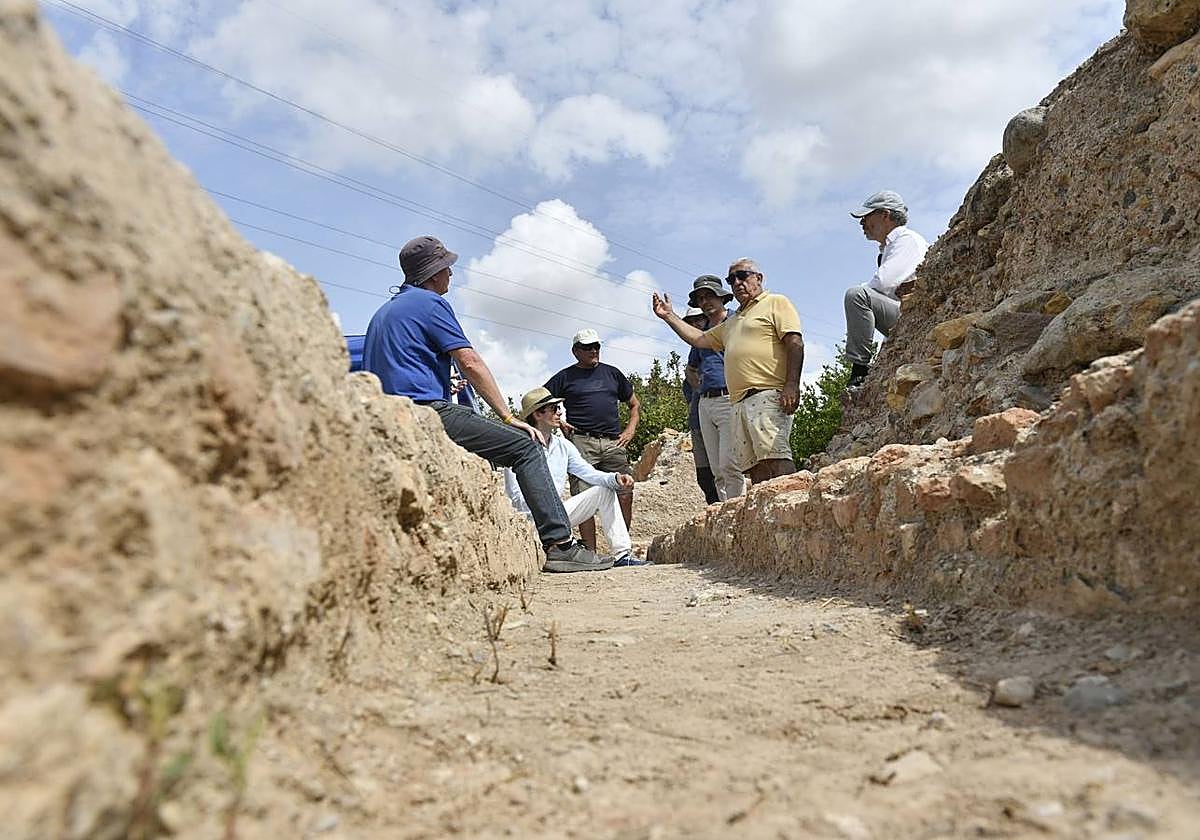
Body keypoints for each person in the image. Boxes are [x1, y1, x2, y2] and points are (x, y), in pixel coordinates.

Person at [362, 235, 610, 573]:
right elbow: (470, 361)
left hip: (391, 417)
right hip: (426, 413)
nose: (451, 274)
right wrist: (508, 416)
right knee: (525, 445)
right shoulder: (430, 303)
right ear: (434, 272)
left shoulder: (382, 313)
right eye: (447, 267)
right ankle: (560, 545)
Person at [652, 258, 804, 486]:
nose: (737, 282)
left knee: (776, 458)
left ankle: (795, 508)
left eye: (743, 275)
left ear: (759, 278)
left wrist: (792, 385)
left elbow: (794, 342)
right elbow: (699, 339)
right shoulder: (734, 322)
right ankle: (765, 518)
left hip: (766, 395)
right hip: (739, 402)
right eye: (731, 279)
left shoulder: (775, 302)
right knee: (755, 468)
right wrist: (669, 317)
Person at [503, 388, 645, 567]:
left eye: (559, 408)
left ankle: (622, 555)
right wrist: (547, 514)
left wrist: (615, 479)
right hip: (529, 522)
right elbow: (516, 497)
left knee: (604, 491)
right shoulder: (516, 446)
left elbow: (588, 473)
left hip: (557, 516)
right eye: (554, 409)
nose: (560, 412)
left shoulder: (563, 445)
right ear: (538, 414)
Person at [545, 329, 640, 550]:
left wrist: (630, 429)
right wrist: (559, 422)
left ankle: (623, 550)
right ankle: (590, 552)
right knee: (585, 497)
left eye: (596, 345)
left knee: (625, 492)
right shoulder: (564, 377)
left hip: (614, 442)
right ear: (575, 351)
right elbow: (539, 402)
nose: (594, 350)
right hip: (581, 443)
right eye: (587, 347)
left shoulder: (613, 374)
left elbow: (634, 404)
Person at [845, 190, 929, 387]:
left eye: (866, 216)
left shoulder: (906, 239)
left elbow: (884, 283)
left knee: (856, 295)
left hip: (916, 318)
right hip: (905, 316)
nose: (862, 223)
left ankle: (860, 370)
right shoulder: (889, 248)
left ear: (885, 215)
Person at [685, 275, 744, 500]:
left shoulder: (736, 321)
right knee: (716, 468)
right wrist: (698, 387)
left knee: (730, 463)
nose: (705, 302)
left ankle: (737, 510)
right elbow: (691, 368)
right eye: (700, 298)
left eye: (709, 296)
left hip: (730, 398)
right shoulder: (704, 331)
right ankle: (723, 513)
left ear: (721, 297)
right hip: (706, 402)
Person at [681, 307, 719, 504]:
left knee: (724, 470)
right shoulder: (694, 356)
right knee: (704, 476)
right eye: (691, 322)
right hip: (698, 423)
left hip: (721, 416)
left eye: (699, 320)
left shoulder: (718, 346)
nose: (695, 325)